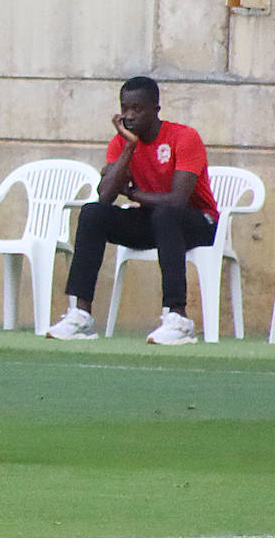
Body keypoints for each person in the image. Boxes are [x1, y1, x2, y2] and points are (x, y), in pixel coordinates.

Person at [45, 76, 218, 345]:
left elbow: (177, 200)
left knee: (165, 213)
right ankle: (80, 315)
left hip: (199, 222)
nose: (130, 115)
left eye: (138, 109)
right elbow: (105, 197)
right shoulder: (122, 142)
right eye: (125, 108)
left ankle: (178, 318)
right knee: (93, 214)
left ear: (155, 109)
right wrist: (129, 147)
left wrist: (132, 193)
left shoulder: (184, 137)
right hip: (156, 220)